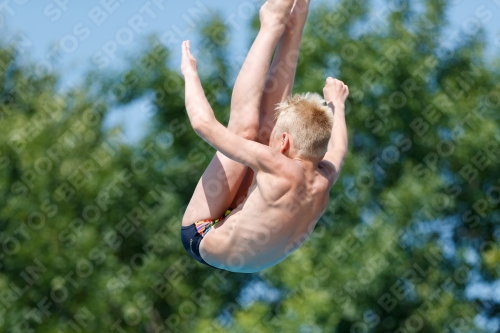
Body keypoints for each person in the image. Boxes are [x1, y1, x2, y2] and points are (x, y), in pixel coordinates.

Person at [180, 0, 349, 273]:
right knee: (260, 133)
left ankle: (272, 23)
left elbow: (203, 123)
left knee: (246, 130)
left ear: (284, 142)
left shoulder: (281, 165)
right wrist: (336, 107)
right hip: (244, 241)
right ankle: (294, 23)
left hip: (201, 233)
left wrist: (190, 74)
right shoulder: (324, 177)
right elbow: (338, 147)